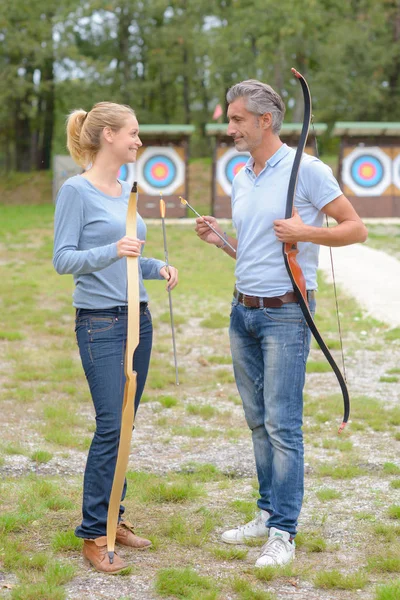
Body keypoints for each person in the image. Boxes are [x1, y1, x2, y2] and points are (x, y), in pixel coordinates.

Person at [195, 80, 367, 568]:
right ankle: (266, 512)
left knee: (282, 424)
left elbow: (356, 227)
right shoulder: (242, 173)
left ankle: (284, 532)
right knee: (256, 421)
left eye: (236, 120)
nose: (229, 128)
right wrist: (221, 240)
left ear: (264, 121)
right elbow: (253, 251)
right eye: (230, 120)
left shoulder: (306, 171)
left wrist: (306, 231)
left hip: (287, 314)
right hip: (242, 310)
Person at [53, 102, 178, 574]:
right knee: (111, 424)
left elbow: (130, 257)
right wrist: (114, 248)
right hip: (100, 323)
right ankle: (93, 533)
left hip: (137, 319)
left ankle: (114, 516)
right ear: (107, 135)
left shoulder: (127, 188)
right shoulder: (75, 191)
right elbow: (64, 259)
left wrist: (155, 265)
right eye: (133, 133)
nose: (138, 141)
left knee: (126, 424)